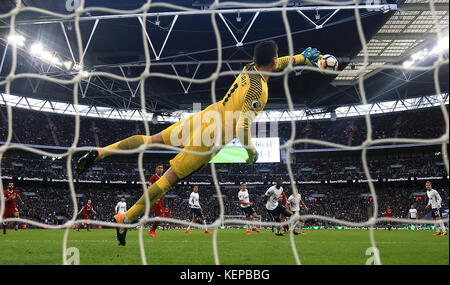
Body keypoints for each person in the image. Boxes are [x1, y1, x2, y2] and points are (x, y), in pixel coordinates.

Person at [75, 41, 322, 245]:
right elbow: (242, 127)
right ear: (272, 59)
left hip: (208, 115)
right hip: (213, 136)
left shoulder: (250, 68)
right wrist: (251, 153)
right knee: (169, 178)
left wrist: (301, 58)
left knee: (153, 139)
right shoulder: (259, 91)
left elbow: (277, 62)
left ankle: (101, 151)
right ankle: (126, 218)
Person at [148, 163, 165, 237]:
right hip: (156, 199)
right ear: (156, 169)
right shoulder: (153, 178)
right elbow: (149, 189)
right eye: (159, 168)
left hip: (161, 198)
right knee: (160, 215)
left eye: (161, 168)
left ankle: (151, 230)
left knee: (161, 215)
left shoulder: (162, 177)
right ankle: (152, 231)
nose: (160, 169)